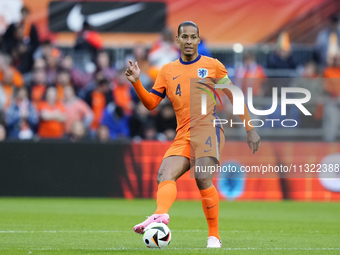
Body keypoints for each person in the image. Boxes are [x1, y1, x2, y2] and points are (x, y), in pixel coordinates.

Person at [125, 21, 261, 248]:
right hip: (183, 134)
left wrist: (249, 128)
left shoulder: (213, 66)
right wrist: (137, 82)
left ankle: (214, 236)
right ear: (177, 40)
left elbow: (234, 96)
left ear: (199, 40)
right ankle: (160, 216)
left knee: (202, 176)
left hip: (209, 128)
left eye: (193, 37)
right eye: (184, 37)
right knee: (163, 175)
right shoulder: (167, 71)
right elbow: (151, 104)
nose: (189, 41)